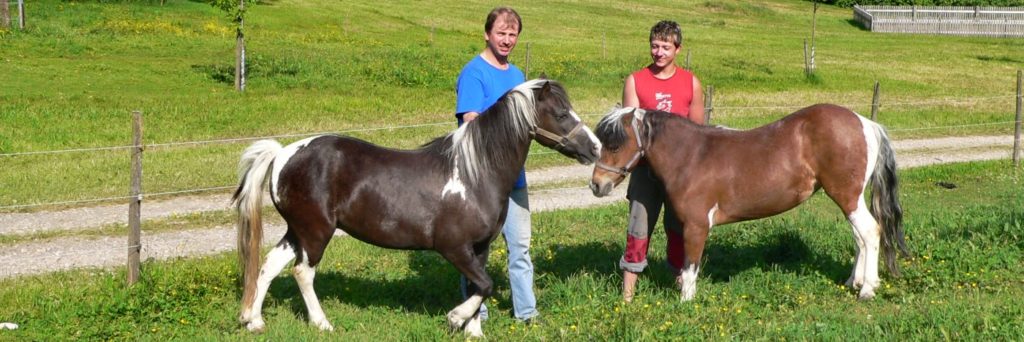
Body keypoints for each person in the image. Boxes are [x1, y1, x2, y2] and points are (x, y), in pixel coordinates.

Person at [454, 6, 539, 323]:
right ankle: (476, 313)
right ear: (487, 34)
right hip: (479, 185)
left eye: (512, 34)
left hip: (513, 181)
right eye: (501, 33)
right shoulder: (474, 73)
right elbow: (469, 125)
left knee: (520, 248)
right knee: (475, 251)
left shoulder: (517, 76)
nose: (507, 40)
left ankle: (527, 313)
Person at [619, 20, 705, 303]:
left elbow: (699, 132)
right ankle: (628, 293)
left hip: (682, 176)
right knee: (638, 228)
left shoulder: (691, 82)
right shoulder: (635, 80)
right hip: (645, 172)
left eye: (665, 47)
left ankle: (678, 279)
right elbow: (629, 127)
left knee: (678, 228)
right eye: (655, 46)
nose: (659, 52)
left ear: (677, 49)